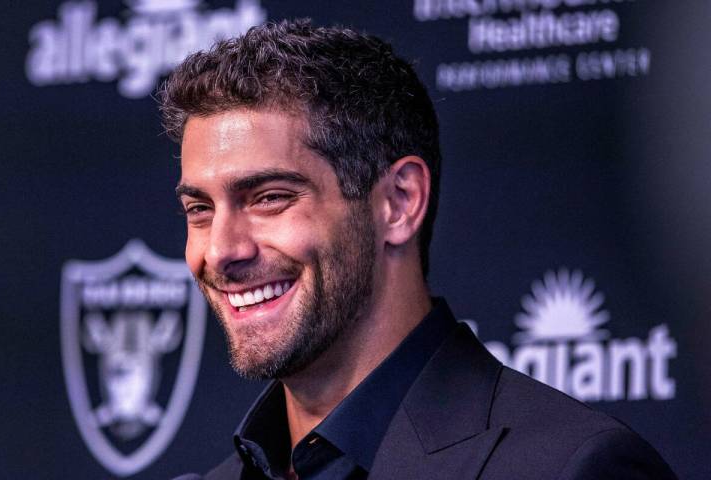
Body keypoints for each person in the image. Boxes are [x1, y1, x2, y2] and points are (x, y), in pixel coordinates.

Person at [161, 19, 677, 480]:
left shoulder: (573, 467)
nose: (221, 250)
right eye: (199, 209)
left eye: (270, 198)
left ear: (399, 202)